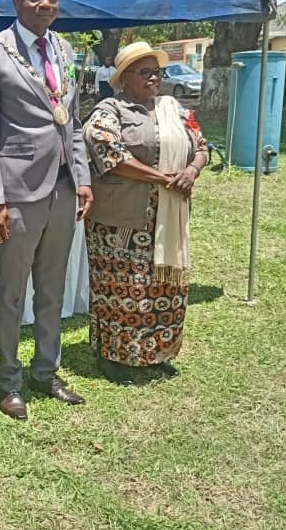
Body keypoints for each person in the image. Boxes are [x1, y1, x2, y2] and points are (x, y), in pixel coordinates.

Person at [0, 0, 93, 420]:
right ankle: (9, 381)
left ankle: (46, 371)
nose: (45, 4)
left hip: (62, 187)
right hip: (18, 192)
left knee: (52, 288)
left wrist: (82, 177)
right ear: (17, 1)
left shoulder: (65, 50)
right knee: (12, 293)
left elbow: (72, 120)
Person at [82, 41, 207, 386]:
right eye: (145, 72)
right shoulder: (109, 111)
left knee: (161, 288)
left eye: (158, 72)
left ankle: (154, 352)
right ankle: (114, 358)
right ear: (124, 79)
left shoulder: (173, 108)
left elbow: (201, 145)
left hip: (168, 218)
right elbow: (112, 155)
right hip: (122, 221)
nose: (155, 79)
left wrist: (192, 171)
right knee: (123, 290)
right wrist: (163, 178)